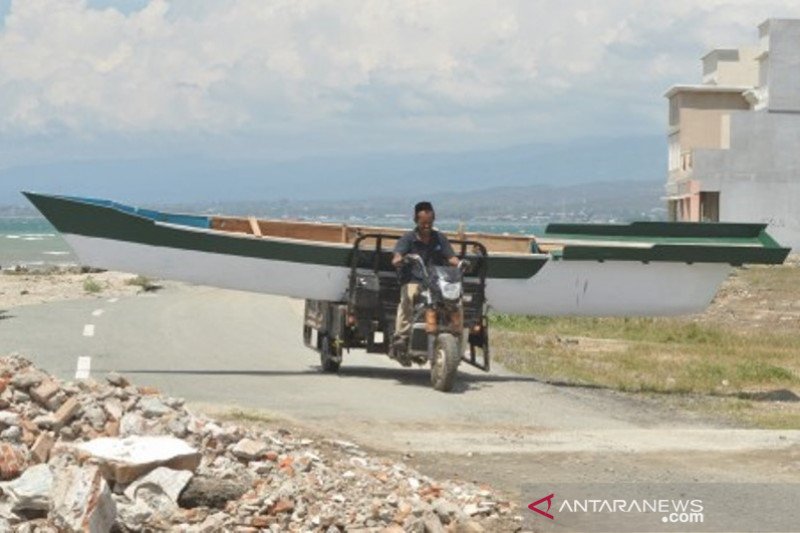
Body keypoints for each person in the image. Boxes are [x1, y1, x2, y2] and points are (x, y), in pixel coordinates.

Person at [390, 201, 461, 355]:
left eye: (429, 223)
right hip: (414, 280)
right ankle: (402, 334)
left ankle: (455, 330)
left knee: (456, 298)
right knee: (409, 295)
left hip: (436, 281)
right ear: (416, 221)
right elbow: (397, 256)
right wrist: (400, 259)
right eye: (423, 223)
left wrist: (460, 263)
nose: (427, 226)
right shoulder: (408, 238)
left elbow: (451, 257)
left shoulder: (440, 238)